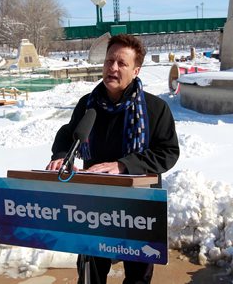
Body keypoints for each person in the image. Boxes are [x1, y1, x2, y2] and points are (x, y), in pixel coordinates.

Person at [47, 34, 180, 284]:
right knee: (90, 272)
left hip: (138, 207)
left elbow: (168, 152)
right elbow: (69, 134)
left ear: (136, 70)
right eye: (109, 61)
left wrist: (124, 165)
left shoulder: (155, 109)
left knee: (138, 276)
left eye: (121, 63)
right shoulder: (88, 105)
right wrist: (62, 155)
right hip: (95, 205)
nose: (113, 68)